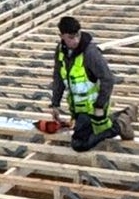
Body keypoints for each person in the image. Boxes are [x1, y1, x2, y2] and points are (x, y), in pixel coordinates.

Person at [48, 14, 119, 152]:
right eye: (70, 37)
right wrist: (55, 104)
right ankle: (120, 117)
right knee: (82, 135)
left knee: (78, 144)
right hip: (78, 109)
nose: (75, 40)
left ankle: (117, 127)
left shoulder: (90, 53)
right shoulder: (61, 51)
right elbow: (58, 78)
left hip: (93, 109)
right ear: (61, 36)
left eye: (77, 35)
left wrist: (99, 105)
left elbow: (108, 79)